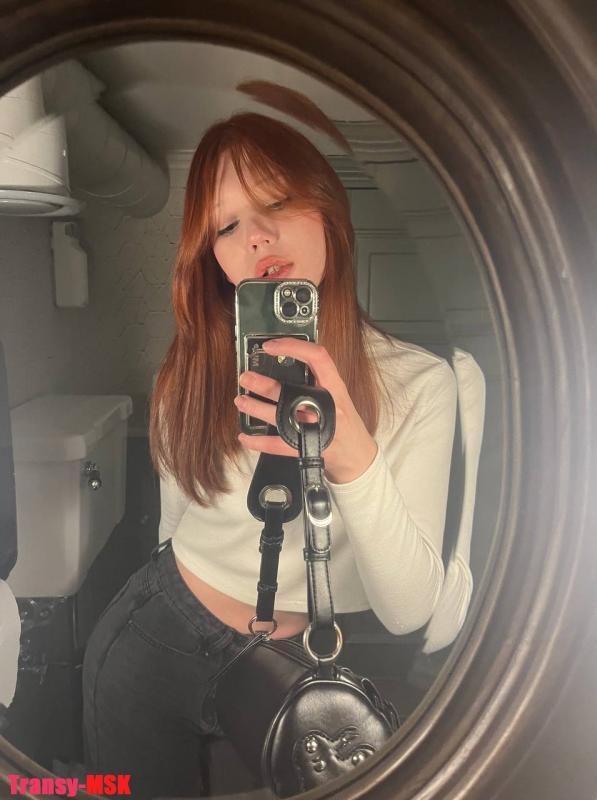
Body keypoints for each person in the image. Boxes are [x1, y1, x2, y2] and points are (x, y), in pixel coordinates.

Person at [82, 111, 457, 798]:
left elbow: (408, 611)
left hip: (292, 658)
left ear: (328, 210)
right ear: (213, 256)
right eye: (225, 226)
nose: (254, 235)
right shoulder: (190, 368)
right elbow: (173, 521)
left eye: (277, 202)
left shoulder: (421, 385)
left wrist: (351, 455)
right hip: (153, 631)